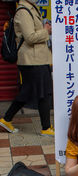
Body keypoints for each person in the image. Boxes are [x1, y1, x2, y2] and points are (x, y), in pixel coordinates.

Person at [0, 0, 54, 137]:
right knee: (44, 92)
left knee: (28, 92)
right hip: (32, 60)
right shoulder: (23, 11)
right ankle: (46, 128)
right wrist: (46, 31)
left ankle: (6, 120)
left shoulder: (31, 9)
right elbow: (30, 37)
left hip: (37, 59)